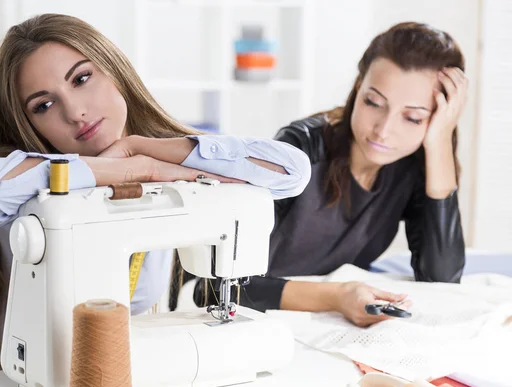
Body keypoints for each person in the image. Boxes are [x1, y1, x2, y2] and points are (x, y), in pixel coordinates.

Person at [0, 13, 312, 387]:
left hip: (115, 371)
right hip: (6, 381)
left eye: (82, 79)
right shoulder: (25, 180)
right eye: (44, 106)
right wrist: (133, 171)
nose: (75, 112)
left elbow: (292, 171)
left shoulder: (163, 155)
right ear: (27, 122)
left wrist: (139, 149)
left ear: (113, 68)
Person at [194, 22, 466, 328]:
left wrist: (440, 142)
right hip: (243, 324)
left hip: (319, 328)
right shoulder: (302, 150)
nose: (384, 130)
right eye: (373, 102)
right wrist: (337, 297)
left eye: (413, 117)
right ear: (357, 88)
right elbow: (210, 289)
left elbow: (441, 278)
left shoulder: (412, 169)